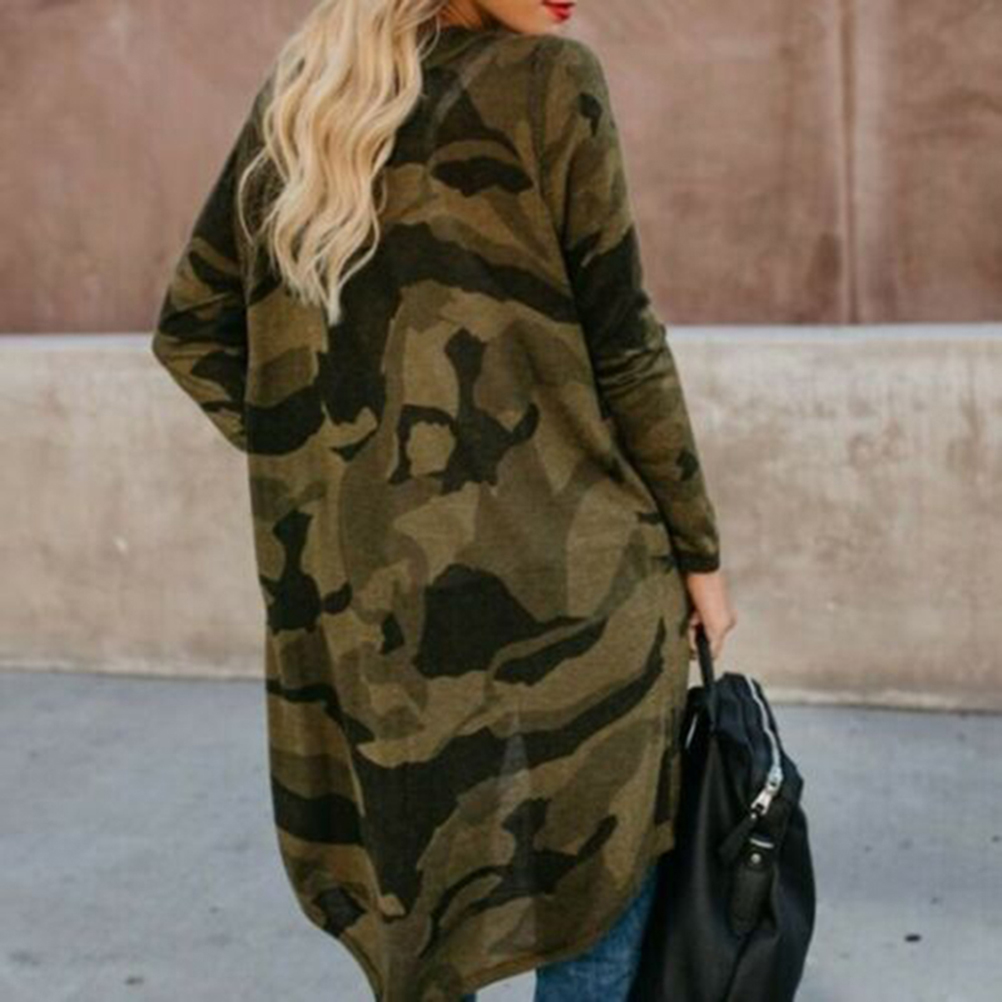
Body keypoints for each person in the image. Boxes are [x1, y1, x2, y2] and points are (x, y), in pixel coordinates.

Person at [150, 0, 737, 998]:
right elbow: (626, 344)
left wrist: (344, 476)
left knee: (424, 910)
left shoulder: (307, 99)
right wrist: (701, 559)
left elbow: (192, 334)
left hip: (381, 615)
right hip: (579, 587)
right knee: (592, 892)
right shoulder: (554, 84)